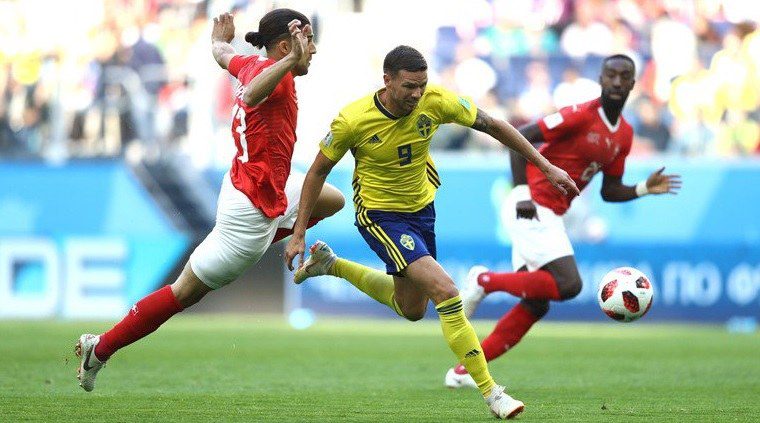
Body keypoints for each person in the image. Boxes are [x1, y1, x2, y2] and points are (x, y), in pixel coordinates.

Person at [283, 45, 579, 419]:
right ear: (387, 80)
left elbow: (494, 125)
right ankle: (492, 393)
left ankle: (332, 265)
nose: (417, 94)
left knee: (411, 308)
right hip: (380, 215)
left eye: (422, 85)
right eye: (409, 86)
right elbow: (317, 172)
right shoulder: (352, 120)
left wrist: (546, 166)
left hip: (422, 211)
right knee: (446, 291)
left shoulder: (435, 100)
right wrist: (298, 232)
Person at [75, 10, 345, 392]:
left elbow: (223, 55)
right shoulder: (276, 77)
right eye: (308, 42)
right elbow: (252, 94)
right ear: (286, 46)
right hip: (250, 210)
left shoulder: (250, 63)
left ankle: (280, 233)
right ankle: (99, 348)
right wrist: (288, 62)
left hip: (258, 182)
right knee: (182, 293)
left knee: (331, 199)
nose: (312, 50)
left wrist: (219, 40)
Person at [442, 54, 681, 389]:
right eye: (610, 74)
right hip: (531, 204)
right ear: (600, 79)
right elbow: (520, 137)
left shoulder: (624, 135)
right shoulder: (581, 115)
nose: (616, 81)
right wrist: (522, 192)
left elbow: (610, 191)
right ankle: (484, 280)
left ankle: (463, 372)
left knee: (536, 304)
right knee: (569, 285)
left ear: (632, 83)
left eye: (623, 76)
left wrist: (643, 188)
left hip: (549, 211)